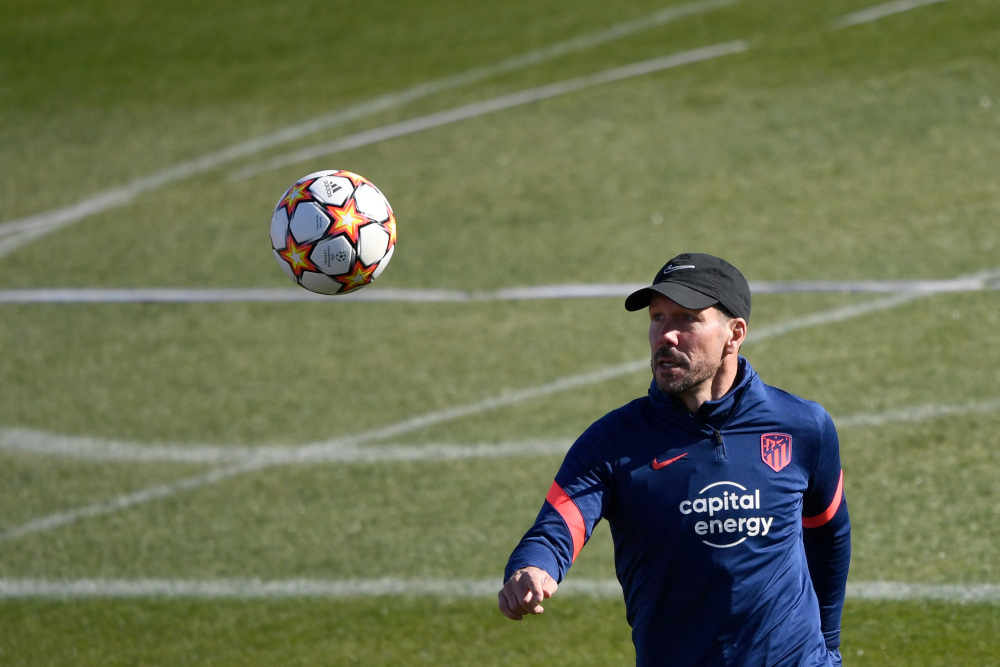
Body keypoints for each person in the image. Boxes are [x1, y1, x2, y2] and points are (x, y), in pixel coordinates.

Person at [498, 253, 851, 666]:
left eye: (686, 318)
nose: (665, 335)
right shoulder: (613, 443)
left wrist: (828, 646)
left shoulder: (803, 427)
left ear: (734, 333)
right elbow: (556, 527)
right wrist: (532, 567)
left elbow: (829, 536)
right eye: (657, 317)